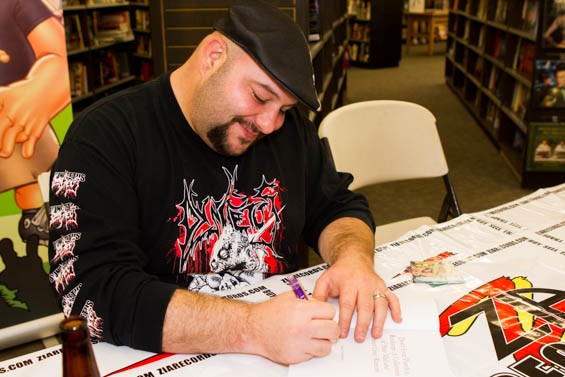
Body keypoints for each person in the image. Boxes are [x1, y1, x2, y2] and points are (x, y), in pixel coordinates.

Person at [48, 0, 402, 365]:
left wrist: (353, 259)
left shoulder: (289, 132)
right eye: (260, 96)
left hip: (292, 347)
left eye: (283, 109)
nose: (268, 124)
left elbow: (336, 205)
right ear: (213, 55)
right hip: (167, 356)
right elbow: (91, 292)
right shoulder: (105, 136)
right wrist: (251, 328)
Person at [0, 0, 69, 246]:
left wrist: (44, 86)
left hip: (16, 110)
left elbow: (55, 51)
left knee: (35, 165)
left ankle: (35, 218)